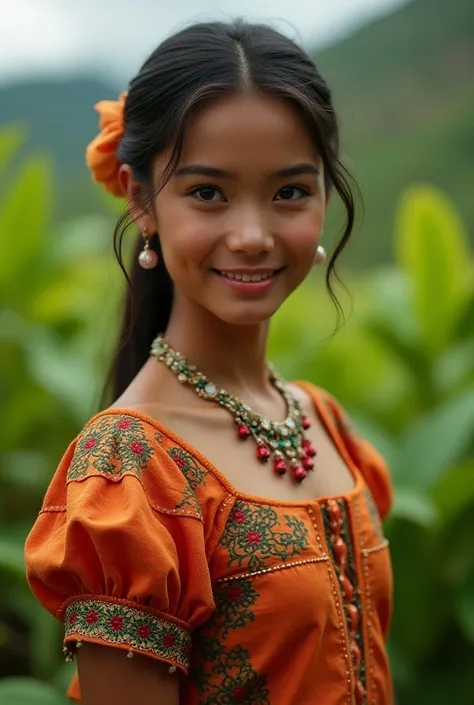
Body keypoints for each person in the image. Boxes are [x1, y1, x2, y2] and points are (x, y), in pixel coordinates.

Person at [24, 19, 394, 705]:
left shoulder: (322, 420)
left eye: (289, 191)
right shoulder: (130, 469)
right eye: (207, 193)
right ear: (141, 199)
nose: (252, 236)